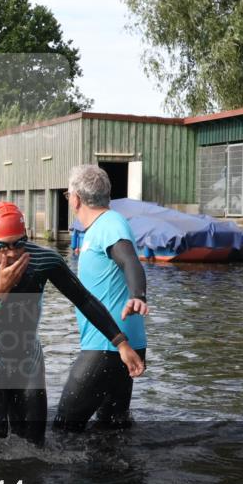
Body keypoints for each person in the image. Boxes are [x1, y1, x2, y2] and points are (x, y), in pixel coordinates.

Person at [0, 202, 144, 447]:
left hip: (27, 362)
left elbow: (84, 299)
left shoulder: (44, 260)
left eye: (18, 243)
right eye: (2, 246)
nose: (11, 253)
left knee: (34, 447)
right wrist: (0, 289)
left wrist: (120, 342)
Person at [54, 165, 149, 432]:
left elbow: (129, 260)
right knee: (111, 430)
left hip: (107, 346)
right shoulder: (102, 226)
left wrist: (137, 295)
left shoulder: (109, 224)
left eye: (67, 195)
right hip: (123, 344)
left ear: (75, 199)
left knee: (65, 429)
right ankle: (121, 475)